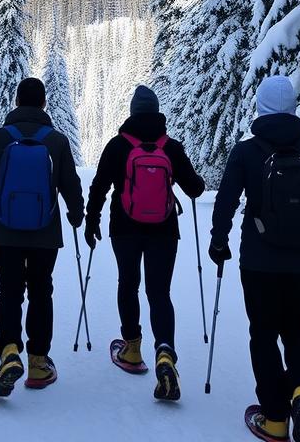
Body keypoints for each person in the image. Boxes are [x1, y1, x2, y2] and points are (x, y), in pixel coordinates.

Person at [209, 75, 300, 442]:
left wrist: (219, 241)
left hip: (258, 261)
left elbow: (225, 201)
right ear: (292, 107)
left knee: (263, 332)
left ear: (260, 107)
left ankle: (274, 418)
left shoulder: (245, 152)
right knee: (297, 327)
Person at [85, 84, 205, 401]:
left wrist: (91, 219)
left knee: (128, 283)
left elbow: (98, 186)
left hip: (124, 227)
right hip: (164, 231)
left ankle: (132, 349)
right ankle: (165, 352)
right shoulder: (171, 147)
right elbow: (195, 189)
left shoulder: (117, 145)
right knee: (159, 292)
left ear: (133, 113)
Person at [0, 77, 84, 397]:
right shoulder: (57, 142)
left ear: (17, 102)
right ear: (44, 104)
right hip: (45, 231)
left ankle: (8, 351)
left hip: (4, 230)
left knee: (9, 291)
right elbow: (71, 186)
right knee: (40, 291)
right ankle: (37, 362)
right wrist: (77, 215)